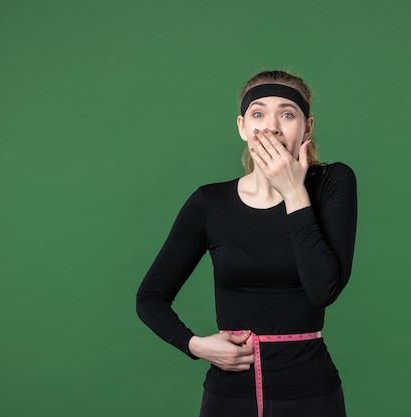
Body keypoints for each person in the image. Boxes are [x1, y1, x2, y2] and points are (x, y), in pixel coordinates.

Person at [136, 70, 357, 417]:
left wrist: (294, 192)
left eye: (287, 114)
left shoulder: (333, 183)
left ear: (307, 128)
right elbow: (149, 298)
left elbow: (324, 289)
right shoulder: (210, 204)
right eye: (258, 114)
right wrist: (196, 345)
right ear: (242, 127)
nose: (271, 127)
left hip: (311, 393)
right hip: (229, 395)